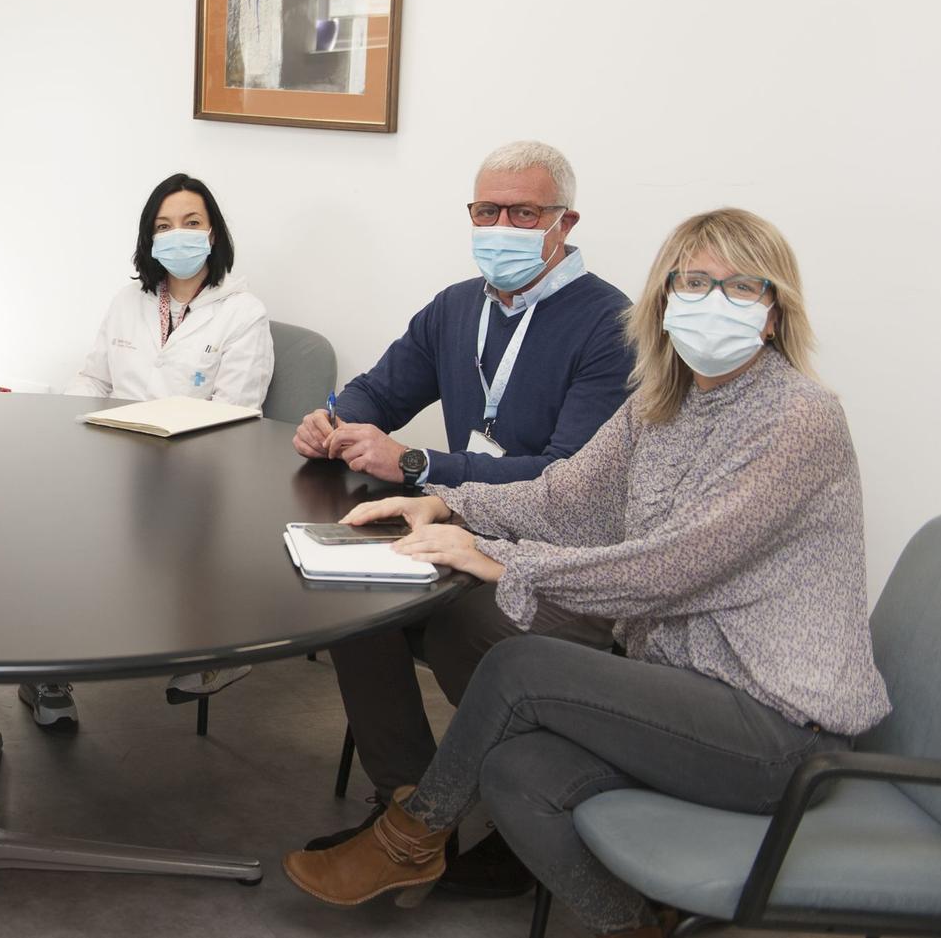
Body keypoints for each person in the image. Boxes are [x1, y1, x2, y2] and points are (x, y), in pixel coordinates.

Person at [283, 208, 890, 938]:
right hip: (686, 697)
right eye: (694, 281)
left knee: (519, 665)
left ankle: (410, 838)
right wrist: (446, 504)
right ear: (665, 297)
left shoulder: (801, 418)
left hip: (779, 730)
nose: (712, 299)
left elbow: (674, 566)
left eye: (739, 286)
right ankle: (637, 925)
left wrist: (498, 556)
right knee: (514, 774)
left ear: (773, 312)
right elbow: (563, 497)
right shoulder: (662, 405)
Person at [290, 141, 635, 896]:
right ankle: (411, 806)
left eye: (524, 211)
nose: (502, 225)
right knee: (352, 593)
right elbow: (377, 393)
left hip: (554, 560)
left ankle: (524, 823)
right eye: (488, 210)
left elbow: (565, 481)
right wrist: (329, 420)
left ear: (564, 222)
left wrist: (420, 466)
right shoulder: (455, 307)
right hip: (454, 529)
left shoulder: (613, 325)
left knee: (457, 621)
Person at [52, 172, 273, 731]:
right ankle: (49, 671)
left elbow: (236, 413)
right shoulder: (129, 301)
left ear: (214, 234)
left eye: (191, 223)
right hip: (116, 459)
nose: (178, 236)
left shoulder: (243, 312)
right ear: (149, 240)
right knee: (50, 524)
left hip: (200, 472)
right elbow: (92, 378)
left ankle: (206, 649)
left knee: (153, 532)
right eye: (164, 226)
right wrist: (58, 423)